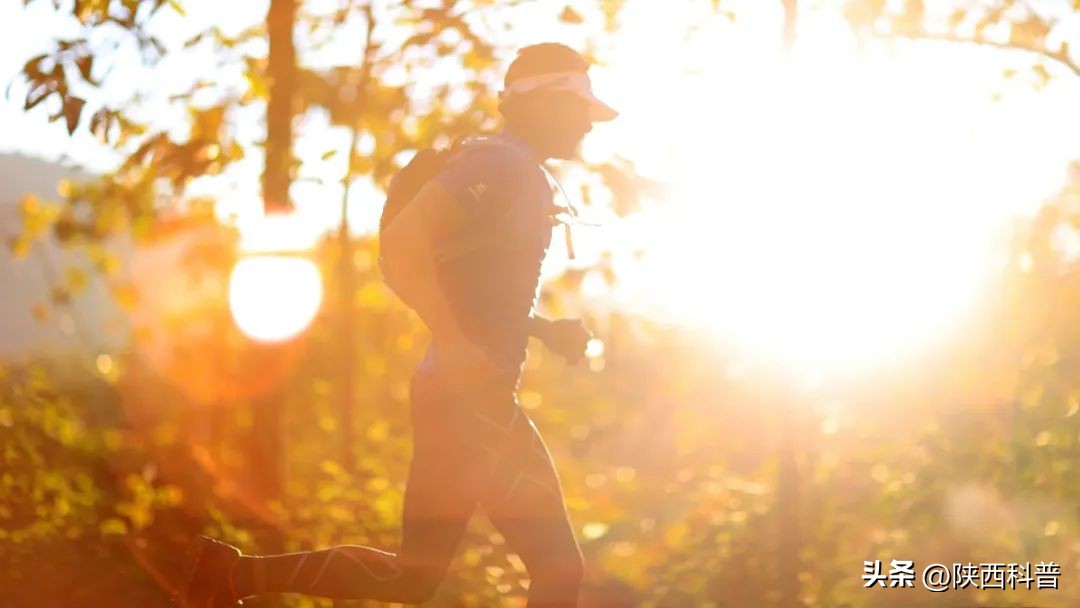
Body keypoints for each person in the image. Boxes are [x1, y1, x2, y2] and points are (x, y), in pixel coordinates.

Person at [180, 42, 618, 608]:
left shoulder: (510, 169)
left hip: (453, 397)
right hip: (471, 402)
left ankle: (230, 578)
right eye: (580, 109)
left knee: (411, 578)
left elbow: (473, 290)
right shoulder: (498, 167)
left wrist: (538, 329)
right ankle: (230, 578)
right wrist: (459, 347)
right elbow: (404, 240)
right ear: (546, 104)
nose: (588, 124)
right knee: (559, 572)